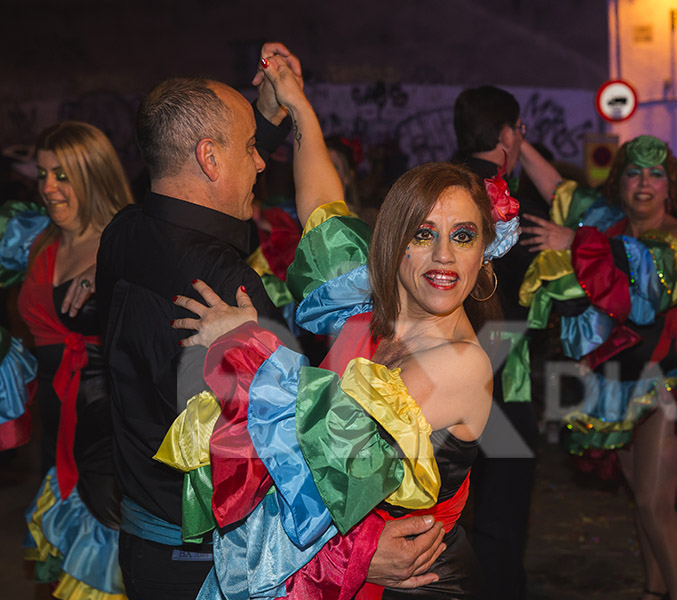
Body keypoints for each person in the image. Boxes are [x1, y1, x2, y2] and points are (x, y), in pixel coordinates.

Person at [95, 43, 444, 599]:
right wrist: (352, 555)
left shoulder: (123, 232)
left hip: (142, 539)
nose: (261, 162)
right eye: (252, 148)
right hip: (211, 566)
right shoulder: (224, 285)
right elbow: (285, 451)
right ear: (209, 159)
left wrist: (275, 109)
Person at [166, 52, 515, 599]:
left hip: (417, 584)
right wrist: (298, 106)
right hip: (355, 563)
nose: (443, 256)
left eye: (464, 236)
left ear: (484, 255)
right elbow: (322, 208)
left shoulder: (461, 364)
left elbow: (324, 448)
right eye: (423, 234)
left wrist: (247, 342)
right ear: (394, 245)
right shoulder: (376, 302)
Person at [519, 135, 677, 600]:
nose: (644, 183)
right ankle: (653, 592)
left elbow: (646, 273)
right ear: (620, 183)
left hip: (668, 383)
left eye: (656, 174)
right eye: (634, 172)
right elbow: (560, 189)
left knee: (655, 502)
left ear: (669, 188)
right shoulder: (609, 226)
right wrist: (516, 143)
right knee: (641, 502)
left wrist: (575, 241)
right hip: (617, 385)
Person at [0, 121, 134, 598]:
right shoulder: (36, 240)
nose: (49, 188)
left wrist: (116, 266)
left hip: (109, 426)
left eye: (63, 175)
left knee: (104, 560)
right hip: (57, 427)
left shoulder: (129, 242)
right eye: (42, 174)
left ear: (93, 175)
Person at [452, 84, 540, 600]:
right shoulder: (510, 204)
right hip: (503, 367)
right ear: (508, 134)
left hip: (441, 363)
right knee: (502, 504)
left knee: (448, 497)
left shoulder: (435, 188)